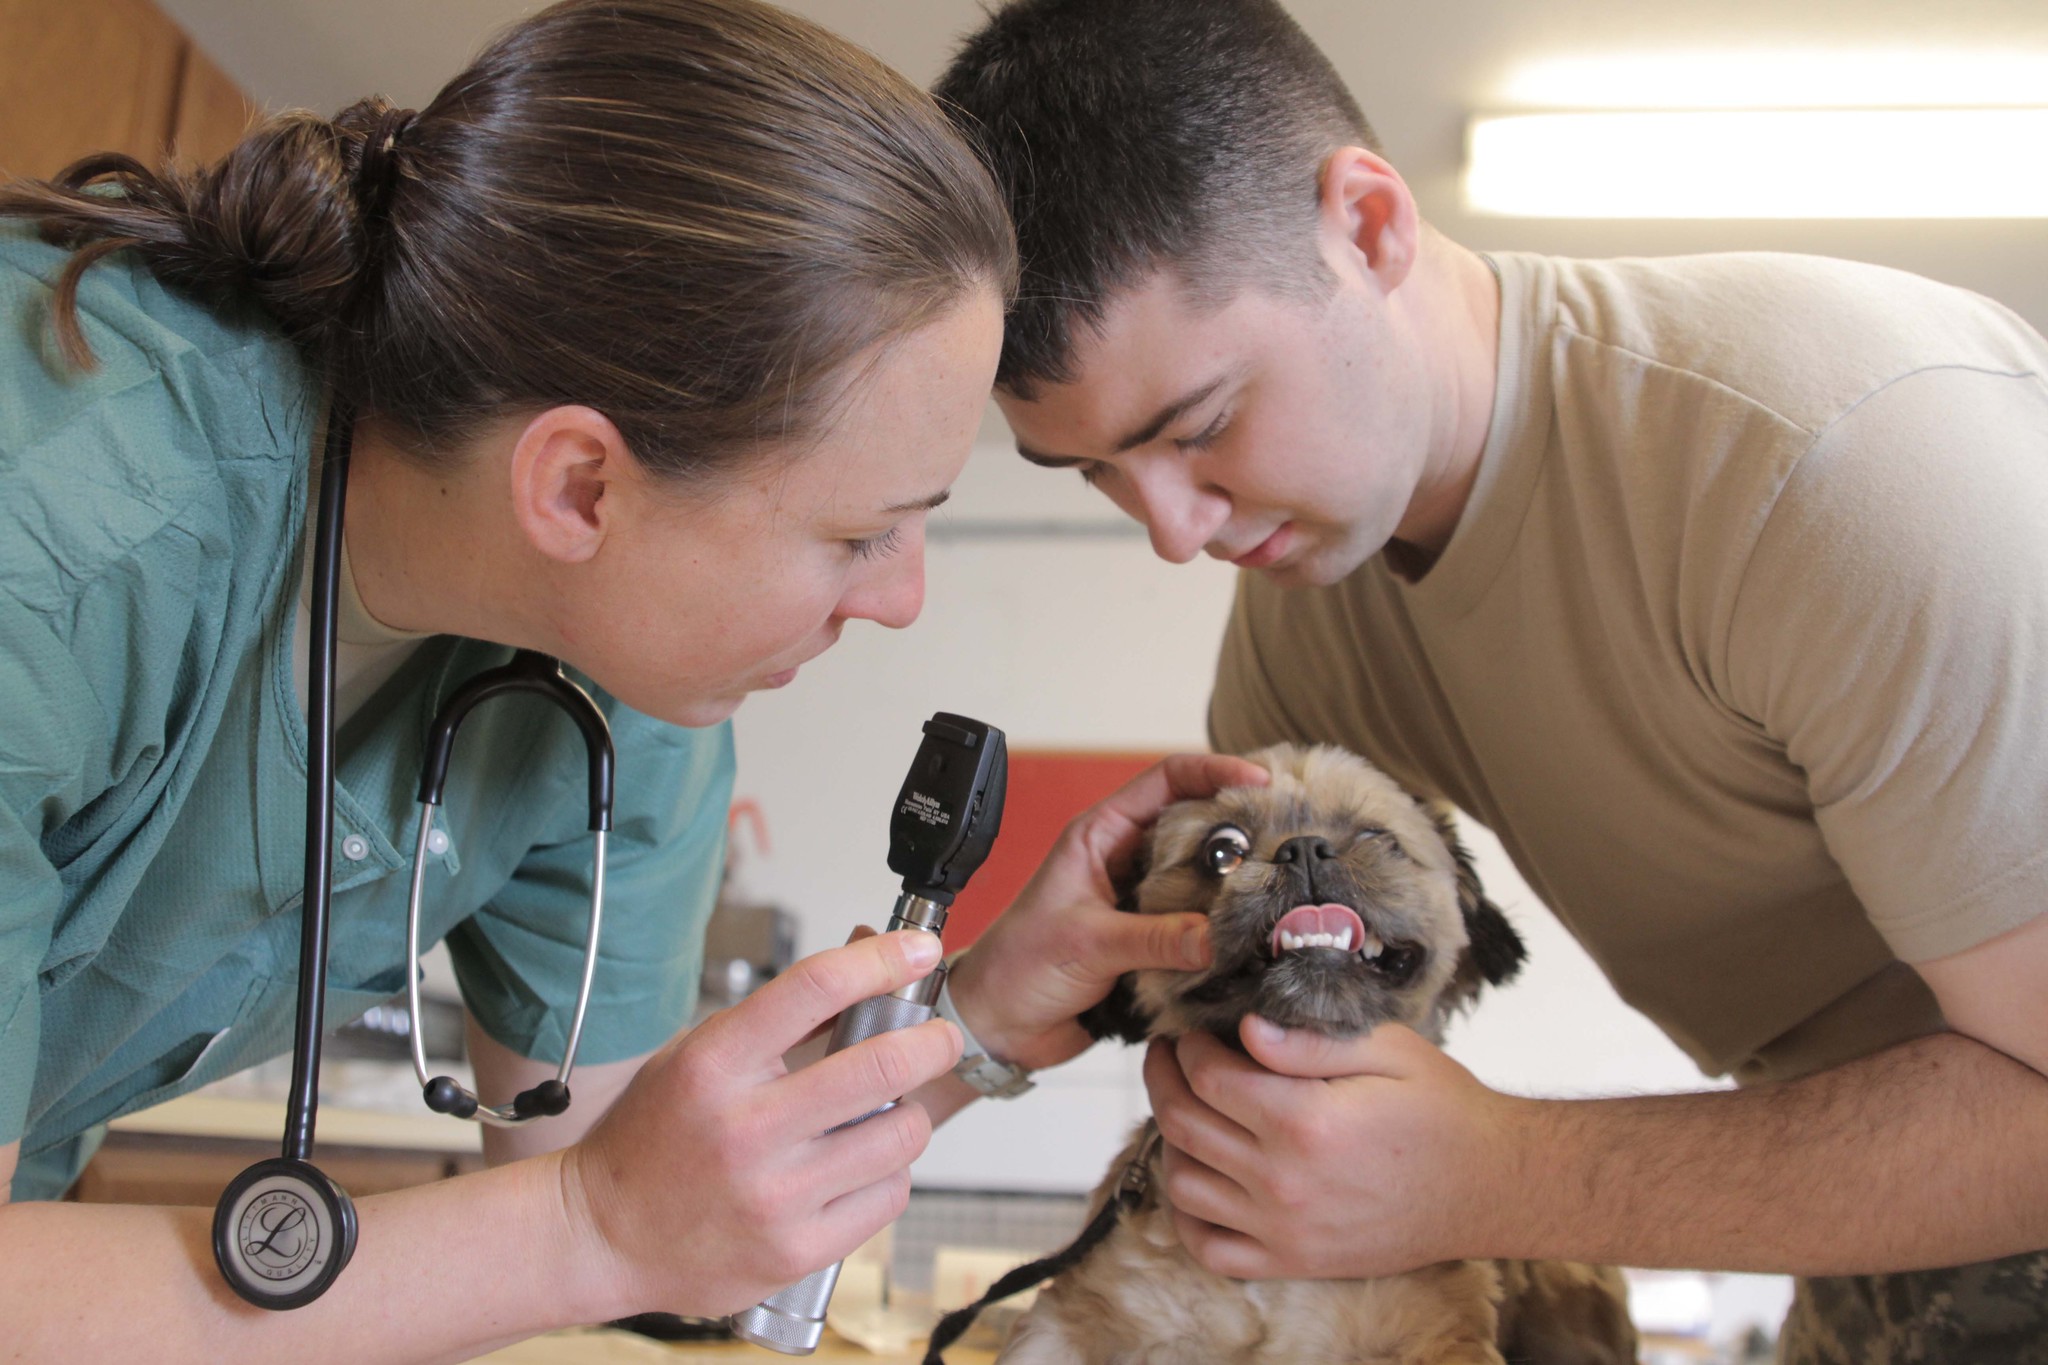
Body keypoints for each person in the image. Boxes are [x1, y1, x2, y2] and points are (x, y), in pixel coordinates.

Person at [0, 0, 1263, 1356]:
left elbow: (670, 1214)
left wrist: (973, 1017)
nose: (901, 600)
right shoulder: (56, 533)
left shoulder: (616, 683)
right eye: (860, 531)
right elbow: (605, 1222)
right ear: (580, 484)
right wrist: (582, 1228)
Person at [934, 0, 2048, 1359]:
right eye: (1101, 471)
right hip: (1875, 1201)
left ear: (1370, 226)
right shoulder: (1310, 614)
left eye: (1204, 426)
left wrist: (1501, 1173)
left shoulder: (1838, 473)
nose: (1173, 530)